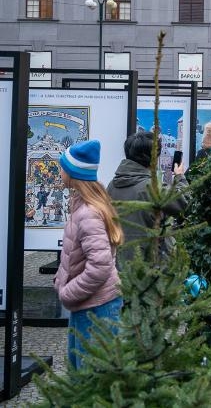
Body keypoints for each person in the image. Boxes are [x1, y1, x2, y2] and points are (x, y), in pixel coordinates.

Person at [53, 140, 124, 370]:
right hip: (88, 306)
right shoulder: (84, 207)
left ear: (73, 173)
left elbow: (100, 266)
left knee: (90, 379)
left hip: (97, 308)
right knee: (80, 377)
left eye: (62, 165)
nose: (59, 169)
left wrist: (67, 292)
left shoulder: (88, 213)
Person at [106, 131, 187, 267]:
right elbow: (183, 204)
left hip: (119, 265)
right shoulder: (151, 187)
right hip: (150, 269)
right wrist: (179, 177)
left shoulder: (112, 185)